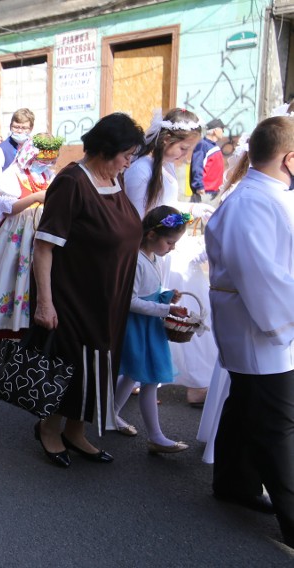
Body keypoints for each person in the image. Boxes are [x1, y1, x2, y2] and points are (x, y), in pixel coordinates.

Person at [32, 112, 145, 468]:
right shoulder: (72, 183)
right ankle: (50, 429)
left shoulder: (114, 180)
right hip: (75, 296)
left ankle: (75, 431)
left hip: (110, 298)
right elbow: (44, 246)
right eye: (126, 154)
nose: (129, 162)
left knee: (101, 364)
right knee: (72, 366)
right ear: (105, 150)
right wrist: (45, 304)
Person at [204, 115, 294, 548]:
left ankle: (234, 483)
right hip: (263, 326)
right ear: (290, 158)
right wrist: (283, 321)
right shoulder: (253, 201)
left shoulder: (267, 194)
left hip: (256, 321)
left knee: (244, 406)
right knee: (279, 425)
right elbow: (259, 273)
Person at [122, 108, 214, 408]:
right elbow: (140, 219)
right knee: (147, 313)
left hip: (160, 248)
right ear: (166, 140)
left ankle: (143, 379)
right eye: (183, 148)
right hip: (146, 253)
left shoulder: (165, 168)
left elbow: (166, 209)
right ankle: (136, 377)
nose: (186, 156)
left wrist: (190, 211)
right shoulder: (141, 170)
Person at [0, 134, 64, 339]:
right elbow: (7, 208)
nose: (44, 164)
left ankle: (32, 325)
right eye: (41, 160)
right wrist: (36, 197)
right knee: (11, 276)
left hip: (40, 231)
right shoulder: (13, 175)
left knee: (37, 278)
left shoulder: (47, 175)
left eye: (48, 161)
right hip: (17, 233)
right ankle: (6, 329)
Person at [112, 206, 192, 453]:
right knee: (150, 377)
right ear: (151, 236)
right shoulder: (136, 260)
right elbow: (130, 300)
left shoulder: (152, 258)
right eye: (170, 242)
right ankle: (156, 437)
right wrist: (165, 309)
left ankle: (110, 414)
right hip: (139, 328)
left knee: (135, 374)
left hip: (147, 327)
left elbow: (150, 293)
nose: (172, 247)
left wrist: (166, 297)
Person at [0, 108, 36, 210]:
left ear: (31, 129)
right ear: (10, 126)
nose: (20, 131)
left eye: (24, 128)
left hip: (30, 204)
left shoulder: (34, 149)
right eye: (16, 127)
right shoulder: (0, 151)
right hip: (9, 206)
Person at [190, 117, 225, 202]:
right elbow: (197, 166)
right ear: (215, 130)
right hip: (205, 193)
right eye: (222, 129)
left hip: (214, 192)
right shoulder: (203, 145)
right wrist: (199, 186)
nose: (223, 132)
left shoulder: (214, 146)